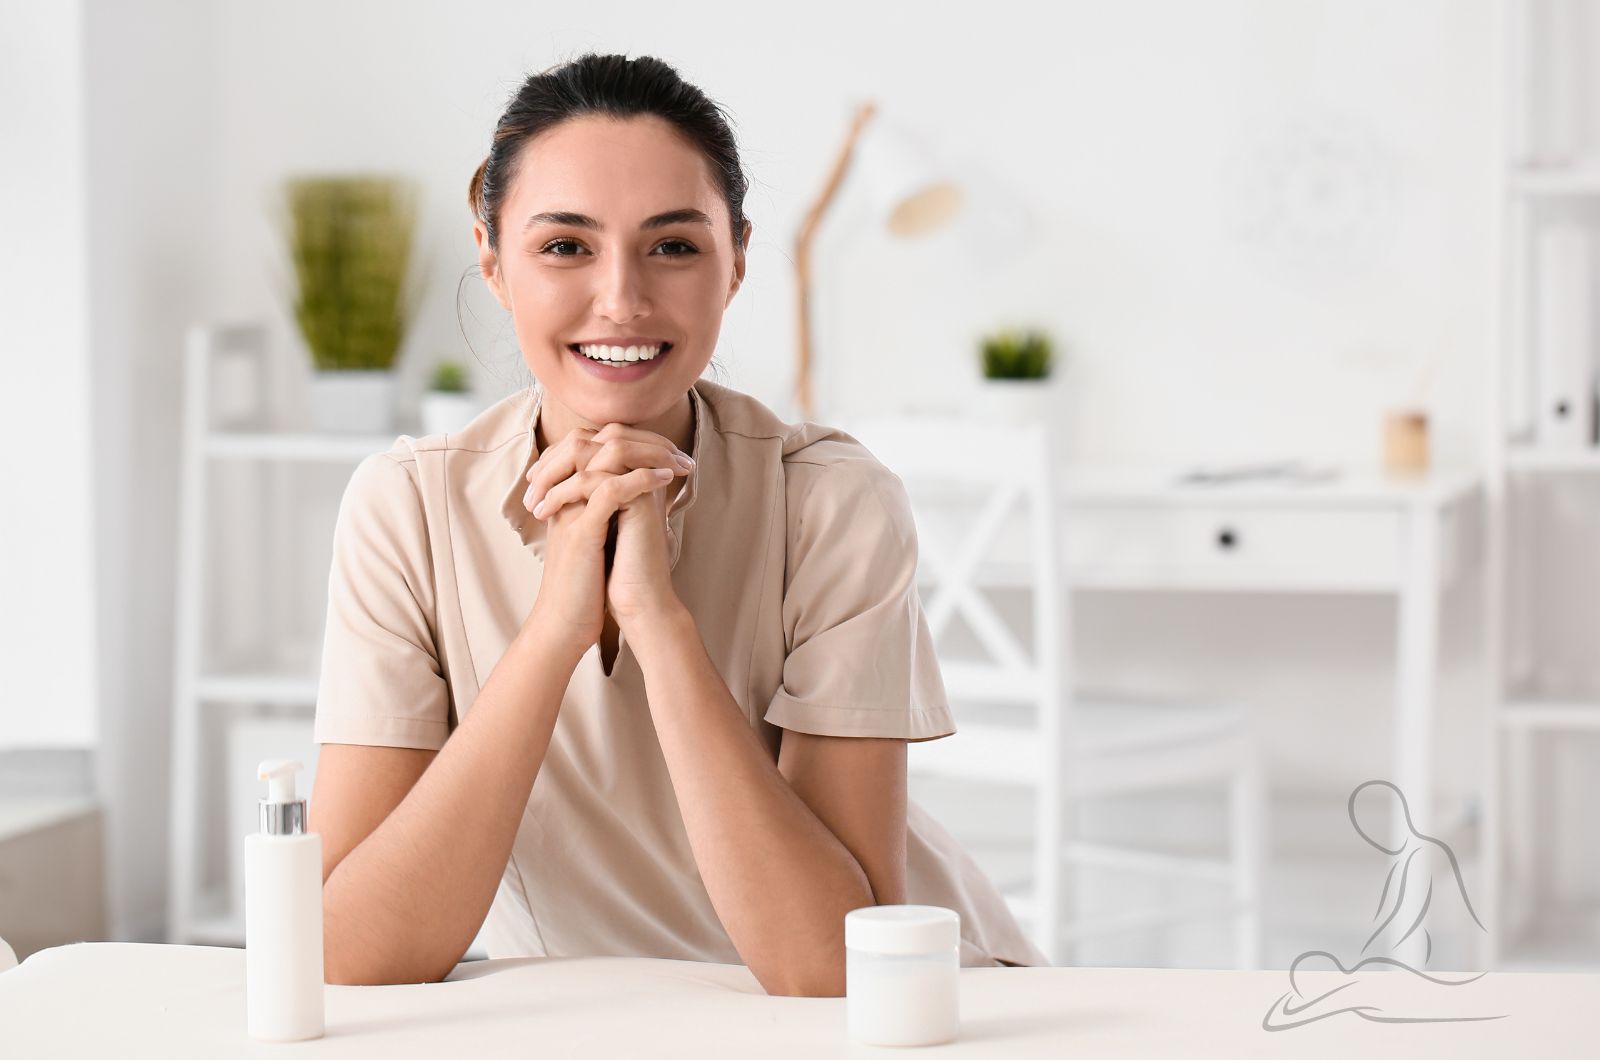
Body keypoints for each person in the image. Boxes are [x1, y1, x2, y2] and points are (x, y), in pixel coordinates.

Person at [307, 52, 1047, 996]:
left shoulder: (831, 503)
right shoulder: (407, 509)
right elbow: (345, 956)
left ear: (736, 260)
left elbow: (834, 970)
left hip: (904, 1017)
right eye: (565, 246)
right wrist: (552, 635)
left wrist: (658, 625)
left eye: (674, 245)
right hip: (609, 1021)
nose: (621, 298)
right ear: (493, 262)